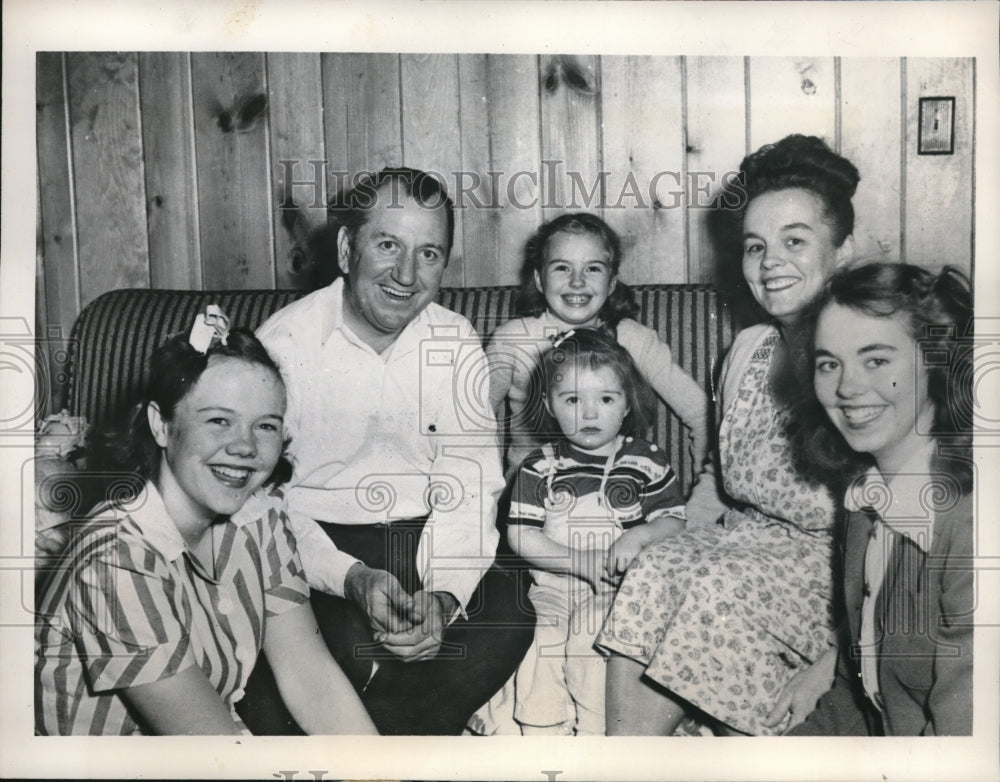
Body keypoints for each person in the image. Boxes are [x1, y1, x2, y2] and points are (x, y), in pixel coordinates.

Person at [251, 167, 533, 735]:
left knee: (509, 615)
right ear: (346, 246)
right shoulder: (282, 344)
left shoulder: (453, 341)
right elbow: (263, 506)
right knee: (317, 657)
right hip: (316, 551)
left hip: (427, 538)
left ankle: (379, 743)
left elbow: (470, 483)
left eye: (429, 253)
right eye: (387, 245)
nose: (406, 275)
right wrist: (351, 577)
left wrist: (445, 596)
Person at [596, 134, 859, 735]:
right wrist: (669, 527)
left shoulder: (869, 359)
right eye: (755, 246)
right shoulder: (747, 348)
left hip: (839, 583)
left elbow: (904, 540)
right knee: (657, 567)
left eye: (795, 241)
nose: (770, 263)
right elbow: (718, 477)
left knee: (717, 584)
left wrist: (838, 660)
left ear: (844, 252)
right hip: (744, 548)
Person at [34, 308, 376, 735]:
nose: (245, 447)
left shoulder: (260, 519)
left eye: (265, 426)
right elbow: (213, 748)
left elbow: (312, 680)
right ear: (160, 425)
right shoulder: (118, 560)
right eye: (219, 420)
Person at [791, 262, 973, 736]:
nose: (847, 388)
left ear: (936, 359)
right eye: (829, 363)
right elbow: (862, 700)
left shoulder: (971, 523)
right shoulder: (864, 501)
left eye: (876, 360)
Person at [505, 329, 687, 735]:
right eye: (572, 400)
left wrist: (637, 537)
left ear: (626, 405)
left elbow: (675, 520)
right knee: (541, 640)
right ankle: (542, 733)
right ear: (550, 406)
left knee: (592, 641)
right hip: (554, 588)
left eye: (605, 399)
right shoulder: (540, 465)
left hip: (618, 591)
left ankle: (595, 732)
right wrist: (579, 562)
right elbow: (520, 534)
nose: (589, 414)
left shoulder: (647, 460)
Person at [486, 212, 709, 477]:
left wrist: (704, 499)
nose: (577, 281)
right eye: (562, 268)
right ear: (538, 279)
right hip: (530, 501)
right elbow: (471, 421)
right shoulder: (512, 340)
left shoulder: (634, 340)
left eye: (592, 268)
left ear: (612, 281)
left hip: (616, 497)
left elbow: (703, 415)